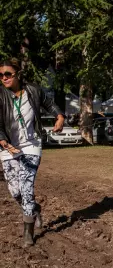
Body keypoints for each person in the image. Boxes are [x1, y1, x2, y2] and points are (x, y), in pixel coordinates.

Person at [0, 58, 64, 247]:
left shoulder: (33, 90)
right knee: (15, 191)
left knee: (27, 188)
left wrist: (59, 117)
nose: (4, 78)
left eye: (8, 74)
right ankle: (34, 209)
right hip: (8, 147)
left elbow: (50, 104)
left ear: (17, 74)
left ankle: (28, 232)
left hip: (31, 145)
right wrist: (3, 141)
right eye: (0, 75)